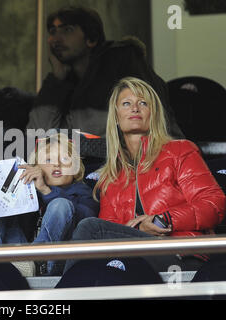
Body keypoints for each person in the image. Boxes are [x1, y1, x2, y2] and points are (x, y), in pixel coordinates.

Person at [63, 77, 226, 276]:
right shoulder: (110, 176)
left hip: (180, 254)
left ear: (153, 114)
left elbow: (214, 204)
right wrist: (140, 228)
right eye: (126, 103)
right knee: (97, 248)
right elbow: (111, 231)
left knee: (91, 229)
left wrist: (161, 221)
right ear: (116, 116)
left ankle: (62, 296)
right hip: (133, 258)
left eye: (143, 103)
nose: (135, 108)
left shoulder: (179, 151)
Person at [27, 6, 184, 139]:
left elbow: (149, 119)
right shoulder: (66, 82)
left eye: (67, 30)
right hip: (90, 167)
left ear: (91, 39)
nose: (56, 39)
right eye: (52, 31)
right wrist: (57, 78)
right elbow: (38, 135)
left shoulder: (121, 60)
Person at [0, 133, 99, 276]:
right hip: (19, 256)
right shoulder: (29, 190)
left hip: (52, 260)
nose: (56, 164)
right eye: (48, 159)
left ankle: (35, 259)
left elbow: (86, 220)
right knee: (3, 198)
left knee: (60, 204)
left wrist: (46, 191)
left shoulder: (84, 192)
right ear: (36, 167)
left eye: (65, 159)